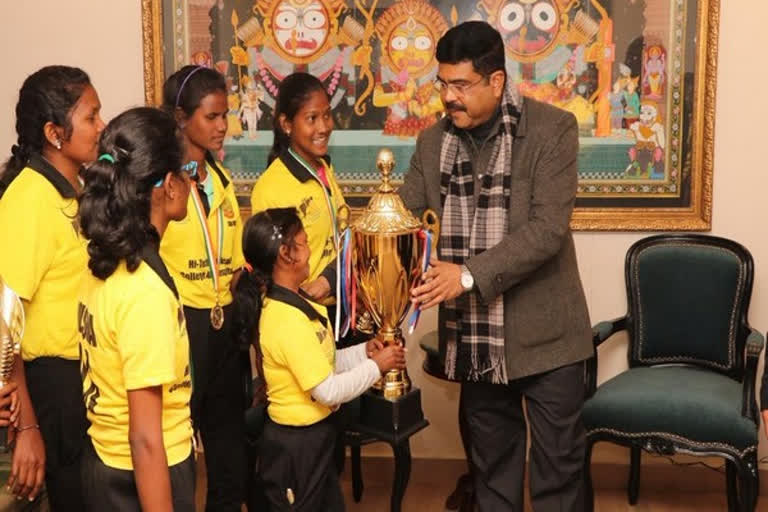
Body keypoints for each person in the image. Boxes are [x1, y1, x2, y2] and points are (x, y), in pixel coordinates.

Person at [398, 21, 593, 511]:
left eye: (460, 85)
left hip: (549, 343)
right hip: (476, 342)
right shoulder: (430, 144)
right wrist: (346, 271)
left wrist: (465, 276)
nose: (448, 96)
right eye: (442, 83)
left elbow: (548, 230)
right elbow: (400, 221)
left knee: (558, 484)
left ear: (497, 81)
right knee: (493, 481)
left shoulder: (552, 128)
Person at [233, 207, 406, 511]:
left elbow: (321, 361)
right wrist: (377, 367)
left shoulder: (299, 301)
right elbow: (325, 389)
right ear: (288, 255)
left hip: (317, 437)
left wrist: (363, 353)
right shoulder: (285, 319)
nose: (311, 247)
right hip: (296, 447)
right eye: (304, 240)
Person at [77, 107, 195, 511]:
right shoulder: (144, 291)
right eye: (188, 169)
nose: (192, 180)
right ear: (168, 186)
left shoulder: (103, 262)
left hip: (103, 465)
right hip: (143, 473)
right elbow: (145, 439)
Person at [0, 65, 104, 507]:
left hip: (86, 378)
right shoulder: (28, 199)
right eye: (91, 117)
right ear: (54, 132)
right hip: (51, 387)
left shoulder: (76, 189)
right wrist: (26, 428)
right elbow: (6, 322)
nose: (102, 126)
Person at [160, 64, 247, 511]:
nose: (221, 126)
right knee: (176, 446)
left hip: (223, 323)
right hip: (181, 326)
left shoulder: (222, 181)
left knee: (229, 445)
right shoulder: (161, 185)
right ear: (181, 118)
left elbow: (231, 260)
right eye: (211, 116)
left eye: (225, 115)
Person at [250, 72, 345, 309]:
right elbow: (270, 273)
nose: (324, 127)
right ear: (286, 124)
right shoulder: (271, 187)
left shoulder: (323, 168)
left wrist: (331, 280)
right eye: (312, 118)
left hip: (337, 305)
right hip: (301, 313)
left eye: (327, 115)